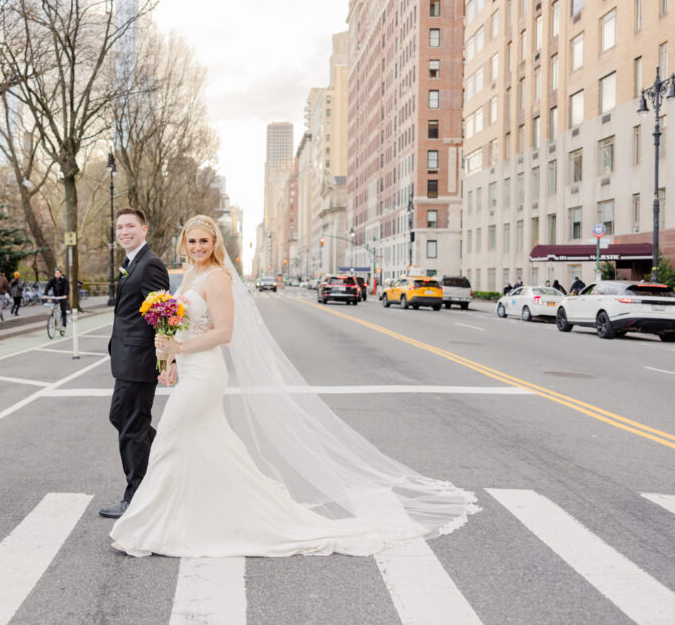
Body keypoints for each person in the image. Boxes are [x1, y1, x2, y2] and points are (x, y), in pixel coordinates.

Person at [109, 214, 478, 557]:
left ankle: (154, 522)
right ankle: (195, 513)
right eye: (192, 241)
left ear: (214, 243)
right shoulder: (189, 274)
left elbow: (224, 332)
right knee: (204, 442)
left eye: (204, 241)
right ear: (183, 245)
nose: (198, 247)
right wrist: (171, 359)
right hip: (189, 369)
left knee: (172, 438)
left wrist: (180, 348)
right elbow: (183, 326)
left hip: (206, 373)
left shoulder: (218, 277)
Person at [98, 208, 170, 520]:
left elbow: (163, 312)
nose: (124, 231)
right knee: (124, 420)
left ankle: (136, 495)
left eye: (130, 226)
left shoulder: (150, 263)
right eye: (120, 227)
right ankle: (169, 455)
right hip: (128, 358)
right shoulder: (132, 263)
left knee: (130, 424)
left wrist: (166, 356)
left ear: (144, 229)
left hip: (140, 359)